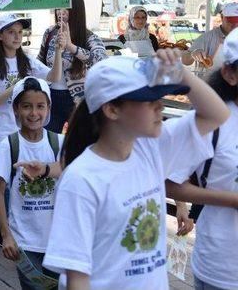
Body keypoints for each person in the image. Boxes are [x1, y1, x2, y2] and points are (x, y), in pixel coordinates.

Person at [42, 52, 230, 290]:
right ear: (111, 109)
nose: (159, 106)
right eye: (148, 100)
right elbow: (77, 278)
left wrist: (182, 74)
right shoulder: (81, 180)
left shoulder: (150, 148)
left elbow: (217, 115)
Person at [164, 28, 238, 290]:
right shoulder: (210, 123)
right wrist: (228, 200)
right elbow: (169, 181)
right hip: (224, 268)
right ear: (230, 74)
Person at [0, 12, 64, 245]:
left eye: (20, 32)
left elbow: (53, 77)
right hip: (3, 134)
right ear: (0, 36)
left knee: (23, 183)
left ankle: (7, 226)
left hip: (28, 135)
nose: (17, 37)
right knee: (6, 185)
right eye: (11, 32)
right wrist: (16, 89)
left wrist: (58, 50)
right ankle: (6, 230)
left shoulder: (26, 60)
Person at [0, 77, 63, 289]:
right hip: (24, 242)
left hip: (57, 241)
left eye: (40, 106)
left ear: (48, 108)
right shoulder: (9, 145)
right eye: (26, 107)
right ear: (15, 109)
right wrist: (6, 236)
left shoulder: (59, 142)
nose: (33, 113)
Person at [38, 0, 107, 133]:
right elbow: (40, 61)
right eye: (58, 8)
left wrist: (71, 46)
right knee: (50, 140)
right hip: (50, 97)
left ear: (76, 10)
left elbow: (101, 61)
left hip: (77, 100)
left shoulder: (89, 37)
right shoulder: (50, 33)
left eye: (66, 8)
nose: (60, 12)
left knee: (78, 142)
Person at [182, 2, 238, 67]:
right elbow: (185, 61)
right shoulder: (207, 38)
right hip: (208, 76)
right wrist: (193, 54)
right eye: (231, 21)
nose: (235, 25)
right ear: (222, 17)